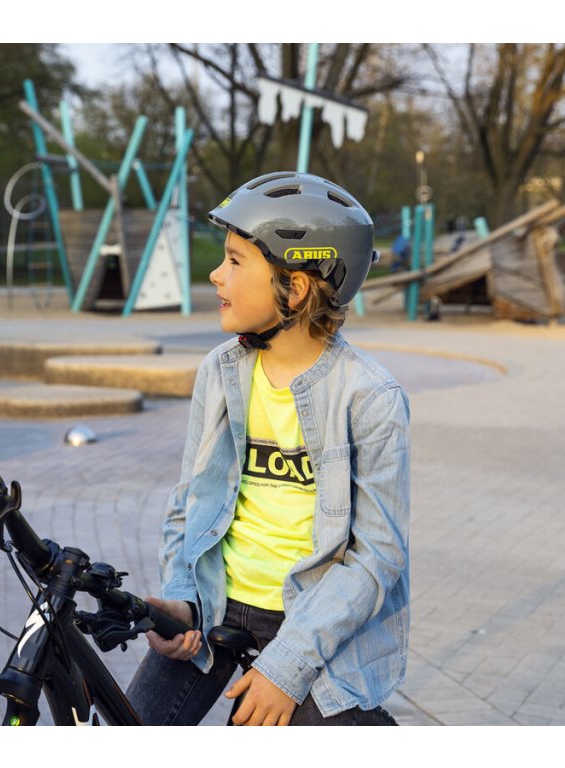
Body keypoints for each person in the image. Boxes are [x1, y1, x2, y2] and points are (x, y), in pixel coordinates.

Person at [126, 171, 411, 726]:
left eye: (235, 261)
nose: (216, 274)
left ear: (295, 287)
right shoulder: (220, 371)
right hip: (217, 600)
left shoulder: (370, 396)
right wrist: (182, 600)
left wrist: (287, 666)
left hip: (313, 616)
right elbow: (188, 502)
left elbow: (378, 556)